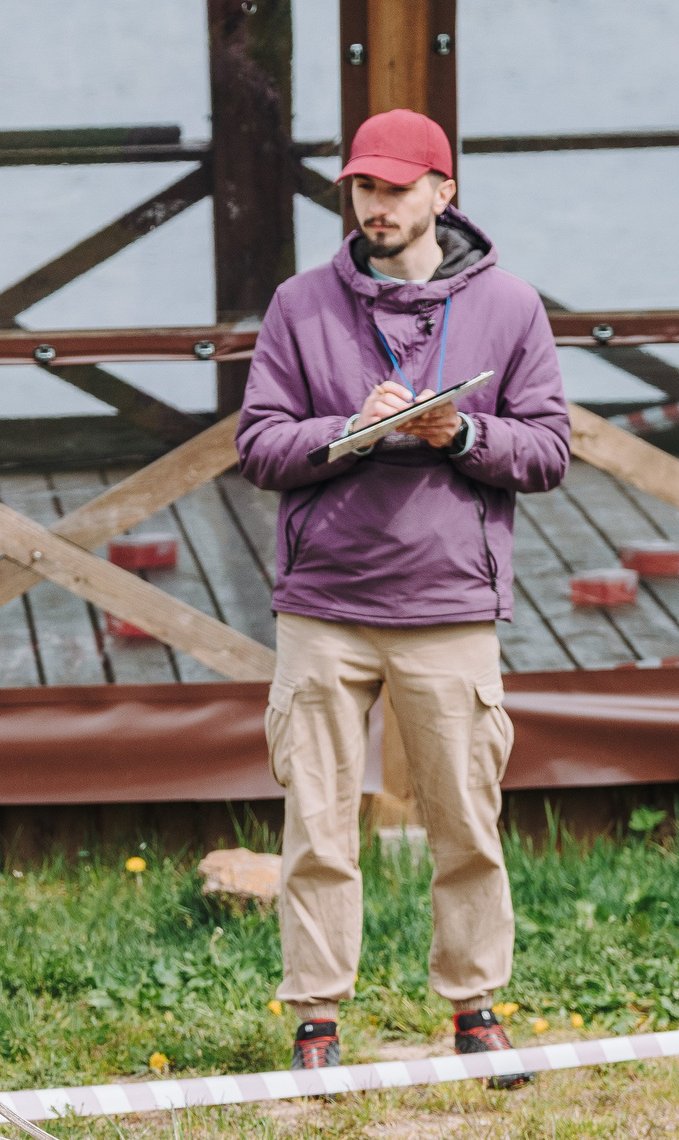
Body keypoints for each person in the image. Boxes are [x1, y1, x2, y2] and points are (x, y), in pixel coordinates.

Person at [235, 108, 569, 1086]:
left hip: (450, 608)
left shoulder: (511, 306)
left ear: (442, 191)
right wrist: (354, 427)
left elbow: (547, 451)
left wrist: (456, 436)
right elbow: (258, 447)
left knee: (466, 822)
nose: (373, 205)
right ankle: (316, 1023)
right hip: (323, 608)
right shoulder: (298, 305)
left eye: (393, 188)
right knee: (317, 828)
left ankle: (473, 1009)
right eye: (360, 188)